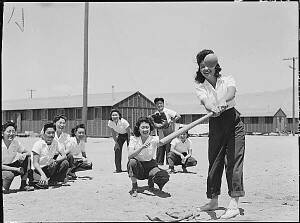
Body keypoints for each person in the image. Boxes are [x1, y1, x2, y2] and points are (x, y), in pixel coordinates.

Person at [194, 49, 245, 219]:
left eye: (208, 65)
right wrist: (212, 107)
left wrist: (224, 101)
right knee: (214, 163)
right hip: (216, 124)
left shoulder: (227, 79)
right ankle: (213, 200)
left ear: (215, 66)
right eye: (202, 66)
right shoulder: (200, 86)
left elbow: (231, 92)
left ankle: (234, 203)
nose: (205, 69)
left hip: (233, 122)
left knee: (233, 162)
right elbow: (206, 101)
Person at [127, 117, 170, 197]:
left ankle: (151, 185)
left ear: (150, 129)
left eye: (147, 127)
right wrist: (141, 147)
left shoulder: (153, 139)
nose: (145, 130)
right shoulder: (133, 139)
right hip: (138, 167)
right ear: (138, 129)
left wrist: (160, 128)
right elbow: (130, 155)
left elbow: (162, 142)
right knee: (132, 162)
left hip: (150, 165)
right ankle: (134, 187)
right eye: (143, 127)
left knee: (163, 176)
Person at [30, 122, 69, 189]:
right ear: (44, 133)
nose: (51, 135)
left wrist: (56, 160)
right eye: (48, 133)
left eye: (53, 133)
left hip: (48, 168)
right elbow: (35, 163)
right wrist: (42, 175)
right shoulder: (38, 144)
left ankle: (53, 180)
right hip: (38, 169)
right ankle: (34, 180)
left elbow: (64, 155)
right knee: (42, 185)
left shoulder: (55, 142)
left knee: (65, 163)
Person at [2, 121, 34, 192]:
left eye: (13, 131)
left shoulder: (15, 143)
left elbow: (28, 152)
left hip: (10, 165)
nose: (11, 134)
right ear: (3, 133)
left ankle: (23, 185)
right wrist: (16, 169)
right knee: (9, 176)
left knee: (27, 158)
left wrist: (23, 155)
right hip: (3, 168)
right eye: (9, 131)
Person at [150, 97, 181, 166]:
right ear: (155, 105)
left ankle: (169, 165)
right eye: (157, 104)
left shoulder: (168, 111)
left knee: (168, 149)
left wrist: (172, 121)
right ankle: (159, 164)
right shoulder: (155, 113)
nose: (159, 105)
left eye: (161, 103)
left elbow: (178, 116)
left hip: (169, 132)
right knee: (160, 150)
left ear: (163, 104)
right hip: (160, 133)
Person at [52, 114, 76, 180]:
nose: (62, 125)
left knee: (70, 156)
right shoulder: (50, 134)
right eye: (60, 123)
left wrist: (62, 155)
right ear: (54, 123)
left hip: (63, 155)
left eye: (64, 123)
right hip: (51, 156)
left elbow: (68, 149)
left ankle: (66, 174)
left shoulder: (66, 136)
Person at [107, 109, 131, 173]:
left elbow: (129, 131)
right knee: (117, 149)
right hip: (121, 135)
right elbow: (113, 133)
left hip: (129, 135)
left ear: (119, 116)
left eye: (116, 115)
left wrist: (129, 142)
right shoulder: (110, 122)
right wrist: (116, 142)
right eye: (113, 115)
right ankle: (118, 169)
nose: (114, 116)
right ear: (111, 116)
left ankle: (131, 168)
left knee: (131, 150)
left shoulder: (123, 121)